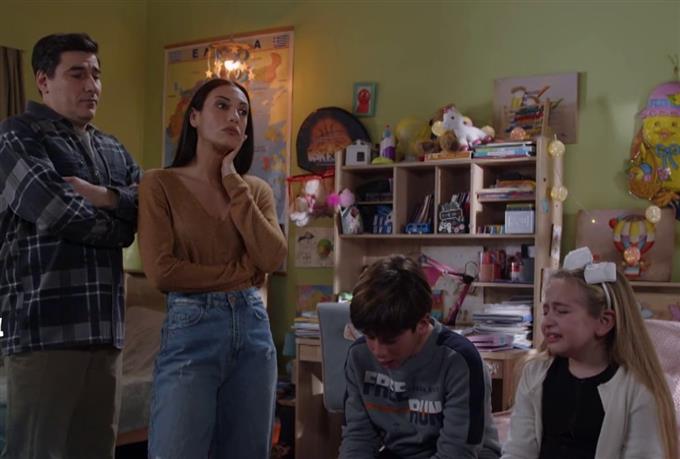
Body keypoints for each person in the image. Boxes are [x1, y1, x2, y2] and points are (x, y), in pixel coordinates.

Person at [0, 33, 141, 458]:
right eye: (77, 74)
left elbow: (151, 205)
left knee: (96, 449)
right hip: (43, 328)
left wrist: (107, 197)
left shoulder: (112, 147)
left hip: (106, 330)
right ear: (43, 80)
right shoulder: (17, 135)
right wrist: (119, 227)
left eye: (96, 75)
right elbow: (56, 210)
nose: (91, 85)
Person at [138, 77, 287, 459]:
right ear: (194, 118)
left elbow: (272, 258)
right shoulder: (159, 184)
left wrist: (232, 180)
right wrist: (242, 273)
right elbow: (162, 273)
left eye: (243, 112)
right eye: (222, 106)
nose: (234, 117)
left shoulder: (254, 190)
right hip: (191, 326)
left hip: (253, 327)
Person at [502, 247, 678, 459]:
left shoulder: (639, 388)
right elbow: (518, 451)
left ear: (604, 322)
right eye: (546, 311)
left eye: (561, 311)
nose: (547, 321)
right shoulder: (535, 373)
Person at [340, 255, 501, 459]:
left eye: (390, 340)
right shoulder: (359, 356)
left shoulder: (460, 361)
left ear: (422, 324)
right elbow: (357, 438)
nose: (378, 351)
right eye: (369, 336)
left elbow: (457, 452)